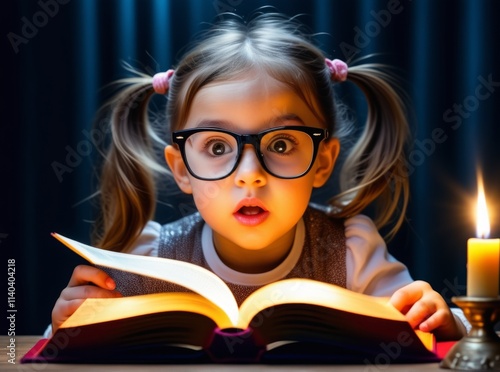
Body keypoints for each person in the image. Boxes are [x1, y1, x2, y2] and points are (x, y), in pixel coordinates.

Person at [48, 13, 468, 341]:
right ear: (181, 169)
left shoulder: (352, 251)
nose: (250, 177)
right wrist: (69, 325)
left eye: (281, 145)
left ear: (322, 162)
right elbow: (58, 349)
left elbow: (424, 332)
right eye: (216, 147)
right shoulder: (145, 261)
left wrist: (446, 323)